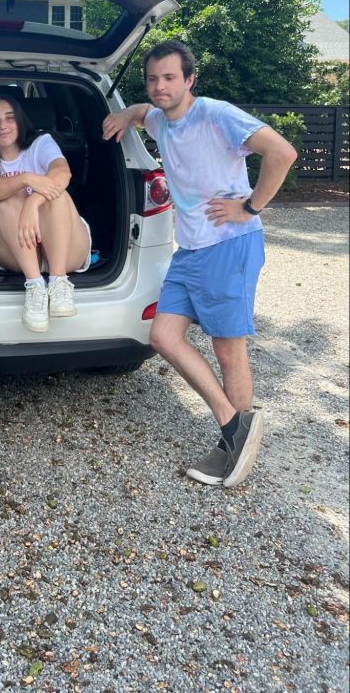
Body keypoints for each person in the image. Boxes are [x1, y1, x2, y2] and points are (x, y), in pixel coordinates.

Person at [102, 40, 297, 489]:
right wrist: (125, 114)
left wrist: (250, 206)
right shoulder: (159, 117)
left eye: (170, 78)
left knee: (230, 351)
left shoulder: (215, 113)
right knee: (163, 336)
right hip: (188, 251)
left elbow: (282, 153)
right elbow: (142, 111)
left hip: (229, 245)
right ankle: (235, 425)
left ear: (190, 80)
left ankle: (232, 451)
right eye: (153, 79)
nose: (160, 86)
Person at [0, 95, 91, 333]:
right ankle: (34, 286)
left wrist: (33, 202)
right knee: (5, 201)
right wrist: (25, 179)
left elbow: (62, 173)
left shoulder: (41, 143)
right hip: (17, 254)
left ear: (21, 121)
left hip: (67, 251)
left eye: (9, 118)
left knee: (58, 194)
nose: (3, 125)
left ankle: (58, 282)